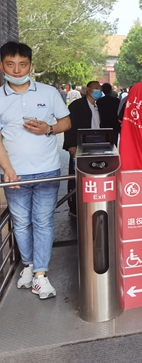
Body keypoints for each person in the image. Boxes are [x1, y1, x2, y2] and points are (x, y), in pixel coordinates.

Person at [0, 42, 71, 299]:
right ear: (1, 66)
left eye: (22, 64)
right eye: (10, 64)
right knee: (21, 222)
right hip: (14, 173)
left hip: (47, 170)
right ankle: (29, 265)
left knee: (43, 221)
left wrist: (48, 128)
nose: (17, 70)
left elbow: (66, 122)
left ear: (31, 65)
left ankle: (41, 274)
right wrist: (7, 168)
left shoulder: (49, 93)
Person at [63, 80, 103, 217]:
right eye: (96, 88)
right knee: (76, 178)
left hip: (96, 146)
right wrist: (71, 145)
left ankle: (91, 203)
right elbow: (69, 126)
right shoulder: (77, 105)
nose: (99, 91)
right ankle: (74, 207)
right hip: (80, 146)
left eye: (100, 89)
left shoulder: (97, 106)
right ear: (87, 90)